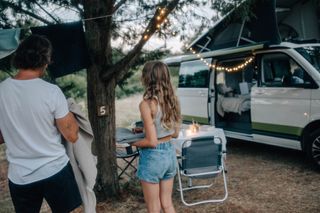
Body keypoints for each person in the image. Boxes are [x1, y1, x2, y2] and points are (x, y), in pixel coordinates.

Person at [0, 35, 82, 213]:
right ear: (44, 60)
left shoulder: (1, 91)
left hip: (20, 176)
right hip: (55, 169)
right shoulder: (51, 91)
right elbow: (72, 135)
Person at [133, 61, 181, 213]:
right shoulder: (173, 101)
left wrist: (131, 142)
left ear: (147, 78)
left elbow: (152, 142)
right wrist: (145, 128)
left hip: (153, 158)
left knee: (154, 208)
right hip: (170, 155)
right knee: (167, 204)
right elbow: (174, 133)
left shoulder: (146, 104)